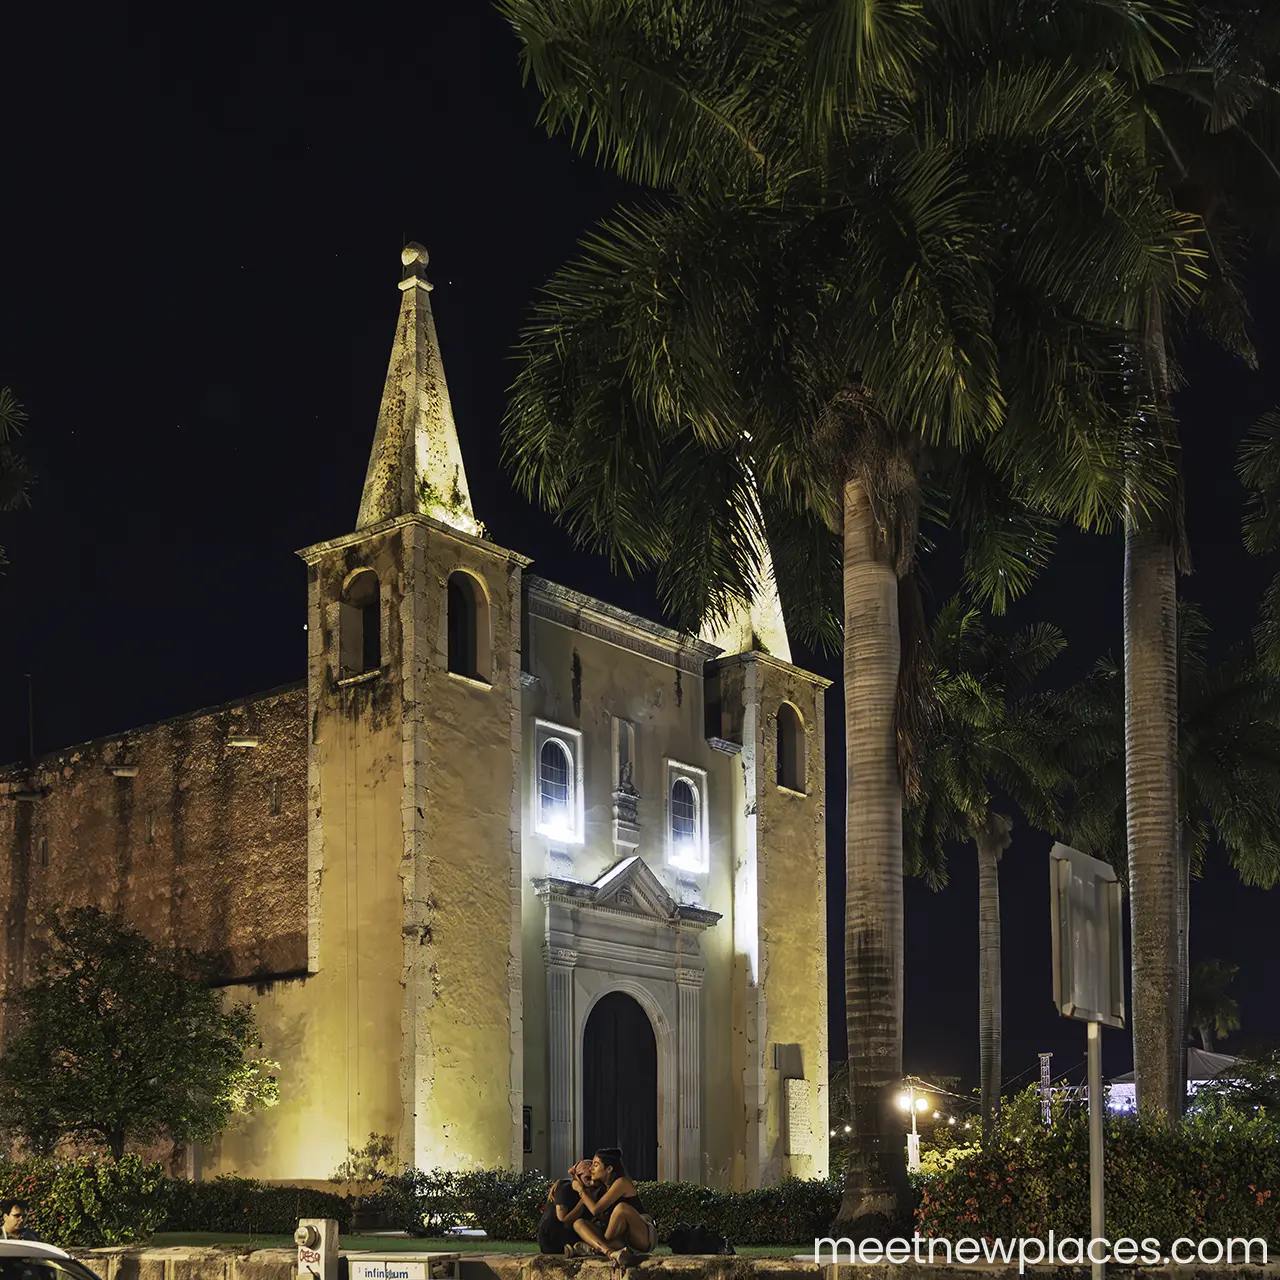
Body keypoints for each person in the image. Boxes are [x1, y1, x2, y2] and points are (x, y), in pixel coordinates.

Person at [565, 1147, 657, 1264]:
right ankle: (610, 1252)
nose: (591, 1168)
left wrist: (580, 1189)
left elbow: (595, 1210)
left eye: (596, 1165)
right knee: (578, 1223)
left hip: (641, 1236)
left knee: (621, 1208)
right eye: (592, 1164)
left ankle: (594, 1248)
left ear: (609, 1169)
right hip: (620, 1241)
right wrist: (559, 1184)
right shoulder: (601, 1187)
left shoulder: (622, 1183)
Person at [536, 1160, 595, 1254]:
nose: (591, 1183)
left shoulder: (591, 1191)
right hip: (552, 1238)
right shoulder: (565, 1188)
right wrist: (584, 1199)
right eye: (587, 1178)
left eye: (594, 1179)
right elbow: (563, 1218)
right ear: (577, 1177)